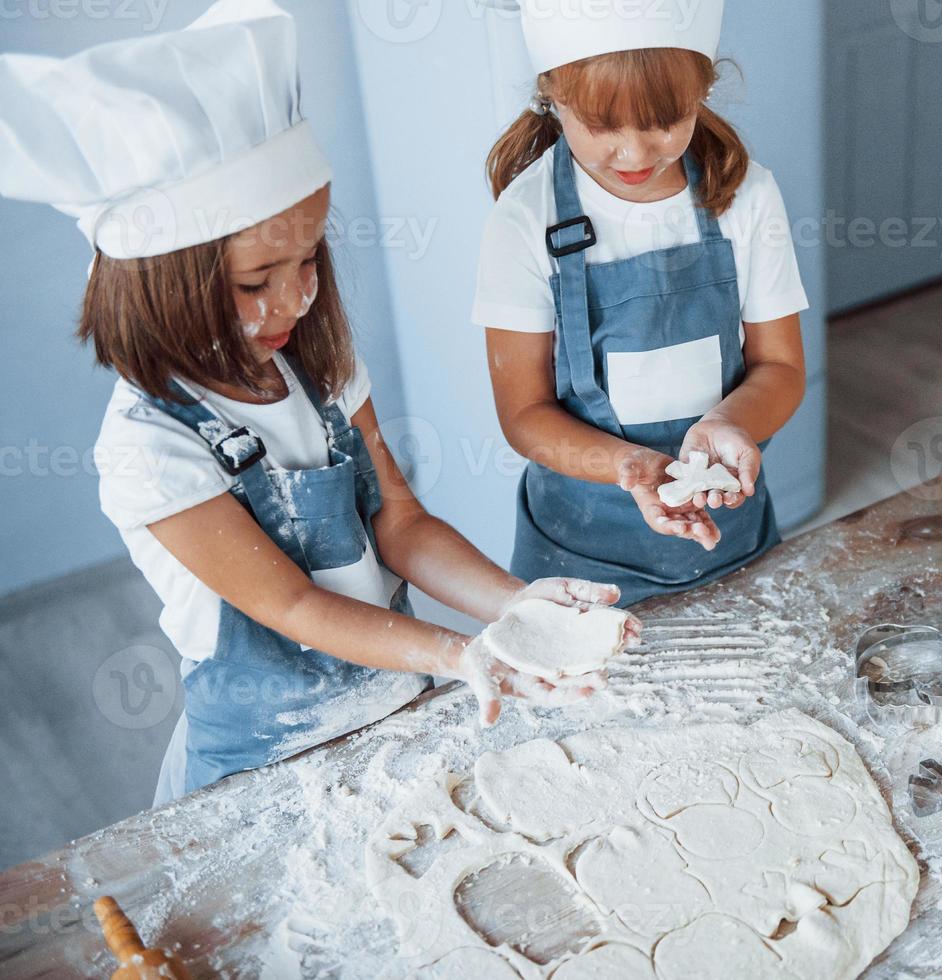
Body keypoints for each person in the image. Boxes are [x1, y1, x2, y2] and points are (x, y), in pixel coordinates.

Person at [0, 0, 635, 803]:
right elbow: (291, 604)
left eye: (308, 260)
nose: (292, 302)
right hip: (269, 764)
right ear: (159, 288)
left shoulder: (319, 366)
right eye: (252, 283)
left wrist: (513, 609)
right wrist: (456, 653)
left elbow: (399, 525)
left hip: (396, 708)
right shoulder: (148, 448)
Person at [476, 0, 810, 606]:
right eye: (603, 125)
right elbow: (524, 414)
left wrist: (729, 425)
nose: (634, 154)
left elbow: (782, 369)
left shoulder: (746, 197)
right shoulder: (527, 219)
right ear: (554, 95)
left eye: (663, 118)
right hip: (578, 558)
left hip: (731, 537)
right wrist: (629, 466)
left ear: (702, 88)